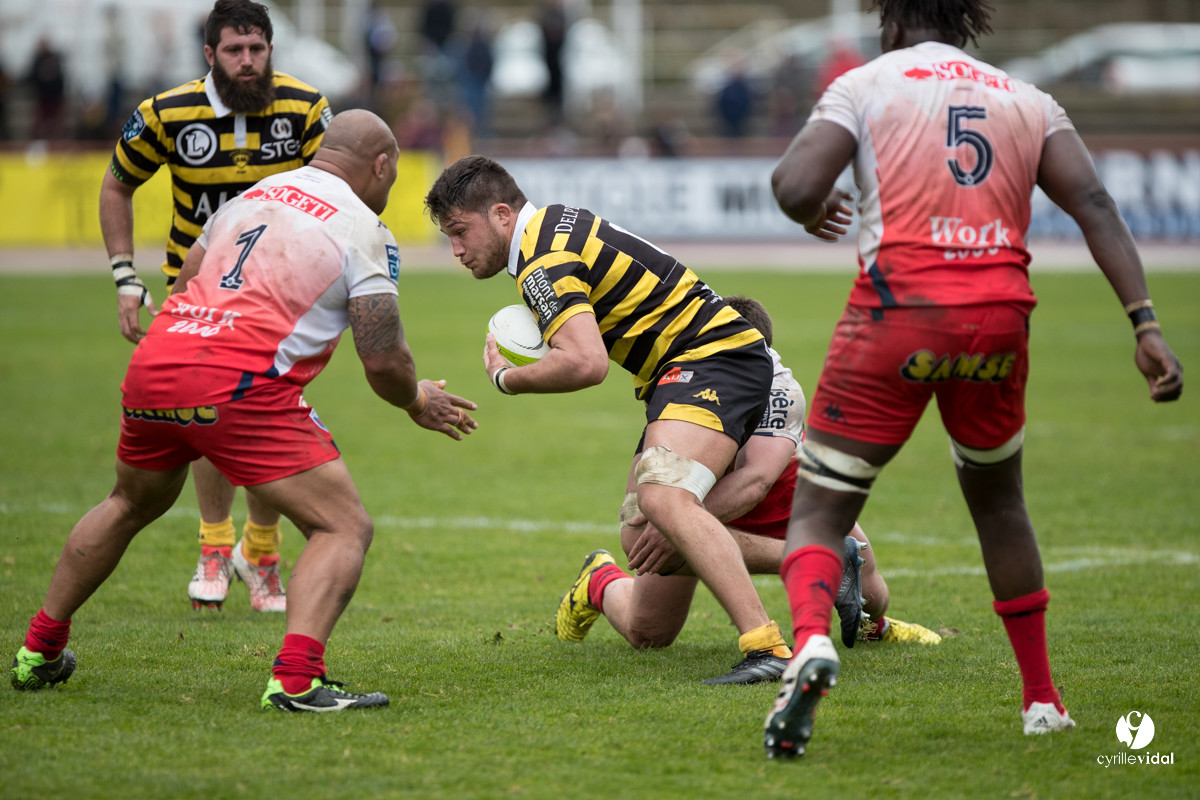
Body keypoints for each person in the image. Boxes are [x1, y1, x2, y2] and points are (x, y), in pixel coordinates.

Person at [762, 0, 1184, 759]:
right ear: (967, 22)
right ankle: (1043, 700)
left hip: (897, 316)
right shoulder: (1025, 98)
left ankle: (812, 646)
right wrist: (1144, 324)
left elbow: (794, 185)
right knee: (999, 502)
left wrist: (813, 207)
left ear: (888, 19)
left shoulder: (867, 84)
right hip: (997, 323)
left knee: (821, 513)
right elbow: (1093, 203)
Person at [10, 109, 479, 712]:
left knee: (128, 502)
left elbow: (184, 283)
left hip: (160, 360)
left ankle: (39, 651)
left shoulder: (248, 198)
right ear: (382, 166)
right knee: (343, 527)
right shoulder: (364, 228)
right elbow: (384, 360)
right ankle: (296, 681)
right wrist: (418, 400)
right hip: (238, 382)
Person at [425, 156, 794, 684]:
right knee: (643, 554)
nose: (456, 250)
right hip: (683, 372)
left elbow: (586, 362)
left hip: (713, 358)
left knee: (663, 498)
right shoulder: (554, 227)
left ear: (502, 214)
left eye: (461, 232)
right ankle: (601, 582)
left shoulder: (540, 259)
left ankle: (767, 646)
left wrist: (507, 378)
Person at [554, 296, 940, 683]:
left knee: (872, 596)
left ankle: (876, 625)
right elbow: (638, 507)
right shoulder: (681, 372)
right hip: (701, 498)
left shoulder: (780, 388)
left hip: (781, 494)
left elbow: (757, 481)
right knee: (648, 633)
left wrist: (679, 525)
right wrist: (667, 520)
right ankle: (600, 580)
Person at [99, 0, 334, 614]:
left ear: (272, 49)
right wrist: (126, 278)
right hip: (195, 292)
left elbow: (339, 189)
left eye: (257, 48)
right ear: (210, 55)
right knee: (205, 412)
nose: (248, 60)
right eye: (234, 50)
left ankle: (260, 548)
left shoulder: (306, 108)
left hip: (282, 294)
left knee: (269, 415)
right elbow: (117, 184)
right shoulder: (166, 112)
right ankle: (214, 543)